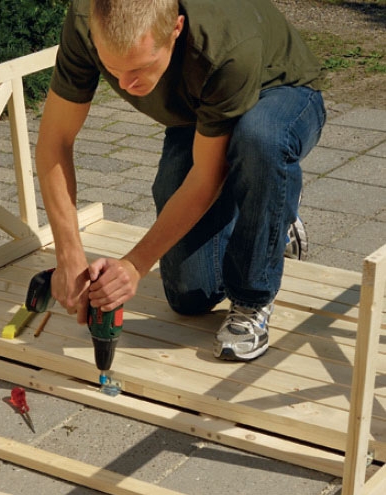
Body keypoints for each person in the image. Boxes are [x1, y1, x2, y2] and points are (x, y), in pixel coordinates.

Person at [35, 0, 326, 361]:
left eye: (140, 68)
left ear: (176, 29)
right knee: (191, 296)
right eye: (112, 68)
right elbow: (55, 141)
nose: (125, 84)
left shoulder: (223, 45)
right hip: (202, 109)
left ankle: (255, 289)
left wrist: (135, 265)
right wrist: (69, 255)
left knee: (259, 140)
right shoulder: (89, 19)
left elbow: (206, 177)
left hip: (281, 93)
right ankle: (265, 206)